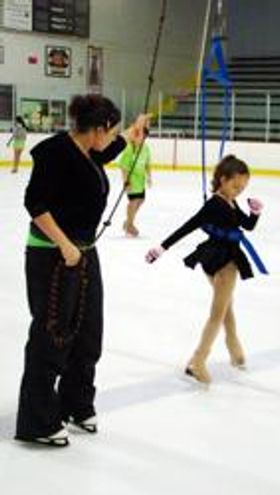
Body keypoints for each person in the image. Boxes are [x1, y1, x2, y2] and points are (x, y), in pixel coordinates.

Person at [15, 94, 149, 447]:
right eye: (113, 130)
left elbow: (105, 152)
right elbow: (35, 203)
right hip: (53, 255)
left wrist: (131, 134)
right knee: (53, 334)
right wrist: (63, 244)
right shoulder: (55, 153)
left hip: (85, 253)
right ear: (99, 128)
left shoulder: (89, 151)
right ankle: (37, 420)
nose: (112, 137)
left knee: (88, 333)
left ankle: (75, 402)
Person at [146, 155, 264, 385]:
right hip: (223, 262)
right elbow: (189, 226)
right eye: (235, 185)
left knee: (226, 307)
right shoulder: (214, 204)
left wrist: (255, 214)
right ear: (223, 179)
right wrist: (162, 247)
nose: (238, 190)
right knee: (218, 313)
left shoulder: (230, 200)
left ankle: (233, 348)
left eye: (243, 187)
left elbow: (246, 225)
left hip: (215, 257)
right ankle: (198, 361)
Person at [118, 127, 152, 237]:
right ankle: (130, 225)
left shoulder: (145, 148)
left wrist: (149, 177)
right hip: (132, 179)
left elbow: (147, 163)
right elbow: (123, 166)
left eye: (143, 136)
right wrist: (126, 181)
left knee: (141, 200)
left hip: (140, 180)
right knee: (133, 202)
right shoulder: (129, 148)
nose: (140, 138)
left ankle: (128, 222)